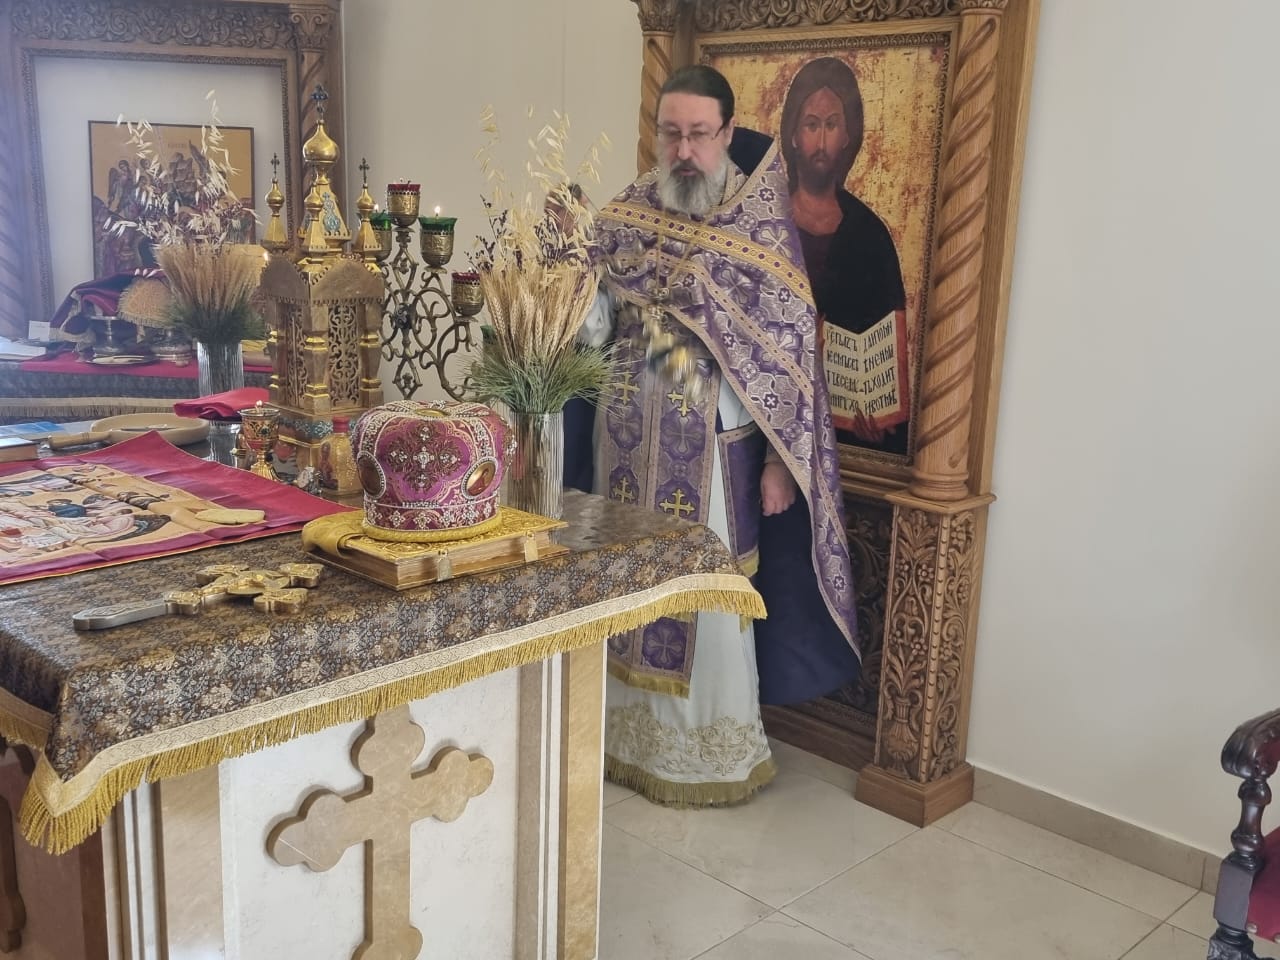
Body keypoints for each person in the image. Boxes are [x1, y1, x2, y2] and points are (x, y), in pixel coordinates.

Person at [573, 65, 862, 807]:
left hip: (711, 446)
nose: (683, 151)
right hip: (622, 439)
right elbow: (596, 331)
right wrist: (569, 278)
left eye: (699, 134)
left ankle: (704, 755)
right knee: (621, 586)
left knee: (702, 597)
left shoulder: (759, 227)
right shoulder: (628, 211)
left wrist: (778, 466)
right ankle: (615, 738)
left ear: (728, 133)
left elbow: (790, 360)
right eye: (670, 133)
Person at [781, 56, 909, 454]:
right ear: (793, 134)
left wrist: (878, 418)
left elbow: (885, 349)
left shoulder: (870, 235)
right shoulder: (764, 221)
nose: (821, 142)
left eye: (832, 125)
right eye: (811, 124)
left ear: (848, 135)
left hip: (843, 439)